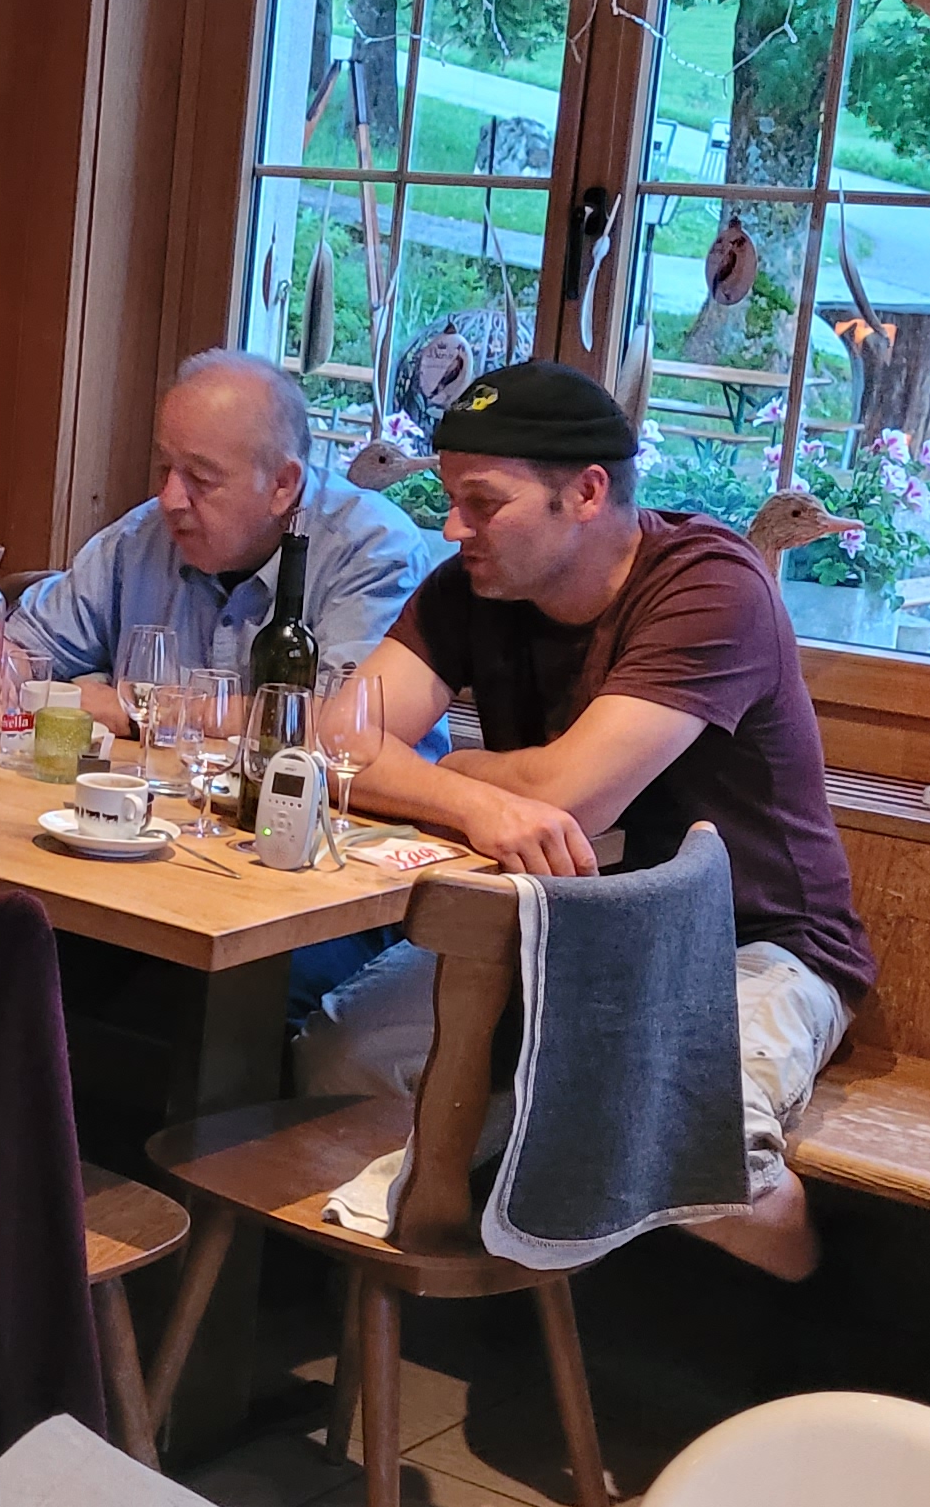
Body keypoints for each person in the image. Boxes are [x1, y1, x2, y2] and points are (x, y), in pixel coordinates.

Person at [303, 361, 878, 1278]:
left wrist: (453, 769)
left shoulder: (709, 585)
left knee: (688, 1143)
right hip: (549, 928)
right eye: (450, 499)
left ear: (586, 493)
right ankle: (475, 1268)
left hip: (749, 943)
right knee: (340, 1054)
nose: (453, 528)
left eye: (482, 504)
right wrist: (478, 797)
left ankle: (831, 1310)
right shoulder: (472, 585)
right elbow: (338, 741)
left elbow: (570, 797)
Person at [8, 347, 432, 718]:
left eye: (200, 478)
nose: (170, 499)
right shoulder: (138, 540)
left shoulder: (374, 548)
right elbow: (19, 653)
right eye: (165, 469)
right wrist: (3, 676)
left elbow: (344, 722)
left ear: (282, 485)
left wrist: (143, 708)